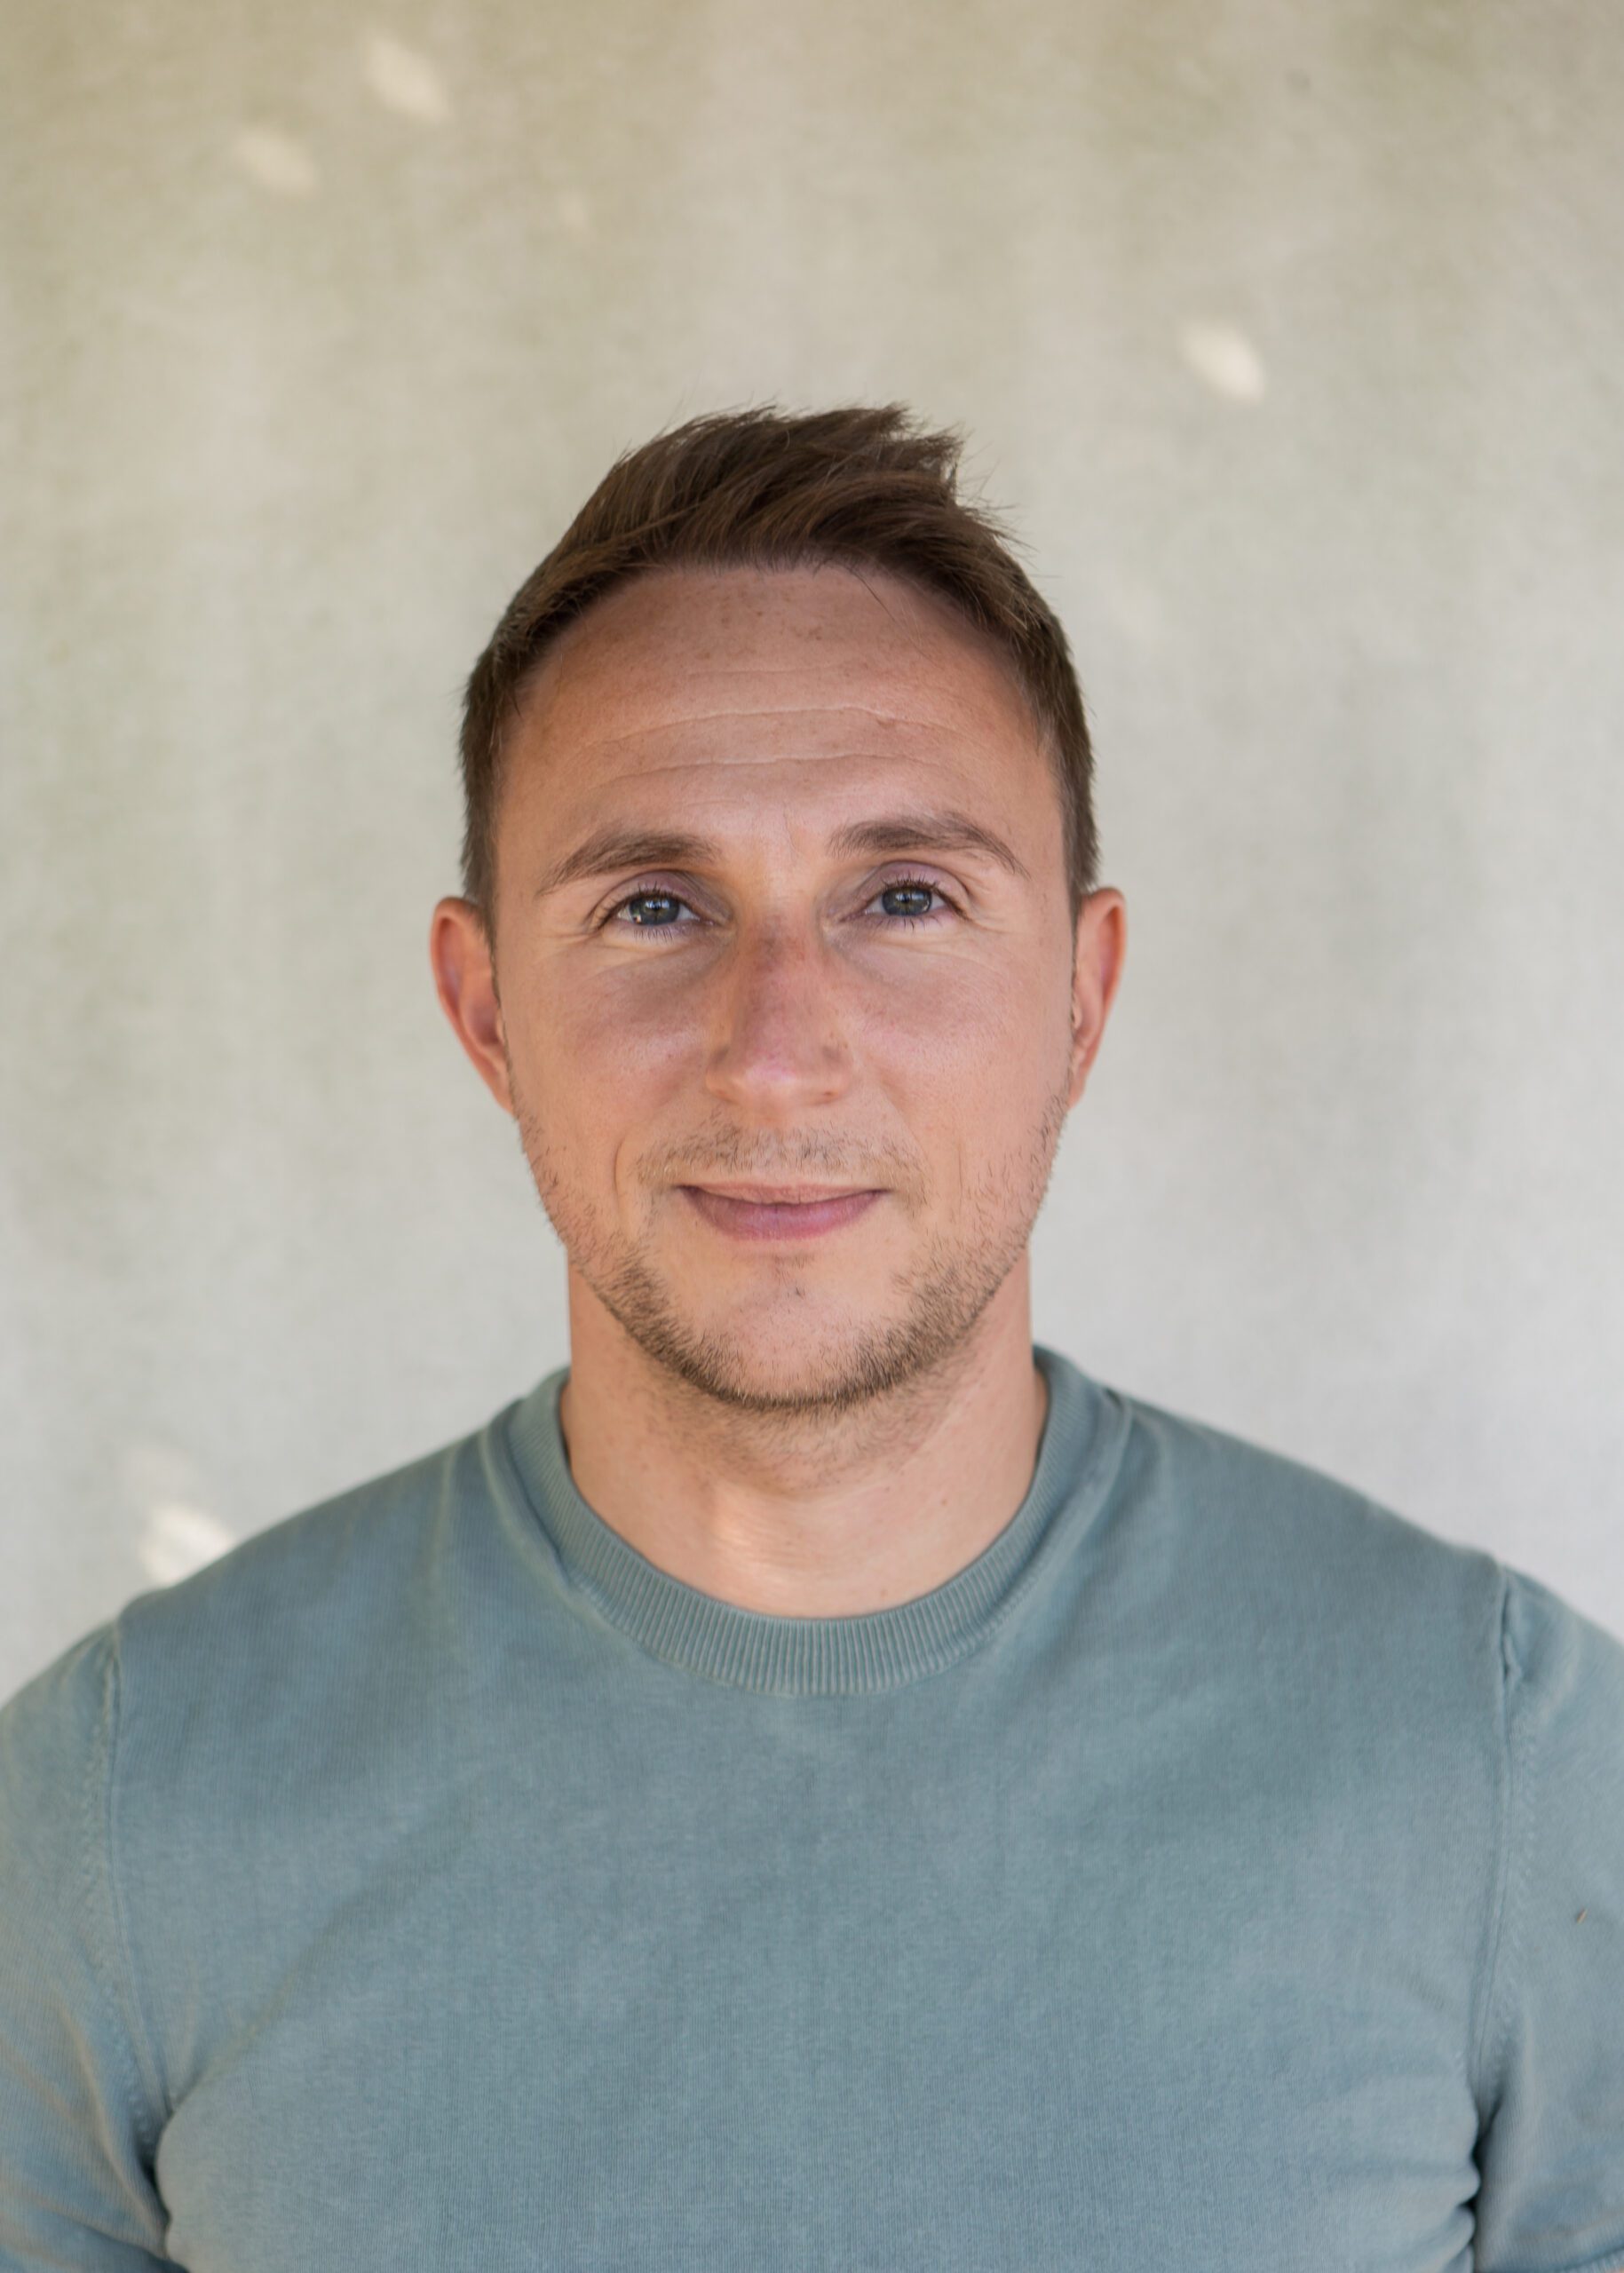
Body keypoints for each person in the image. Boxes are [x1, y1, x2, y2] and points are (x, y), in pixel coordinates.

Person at [1, 403, 1620, 2271]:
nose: (777, 1048)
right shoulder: (113, 1811)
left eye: (907, 897)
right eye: (655, 905)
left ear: (1081, 1000)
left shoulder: (1509, 1769)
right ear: (486, 1007)